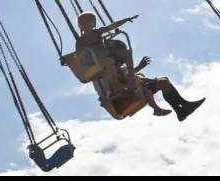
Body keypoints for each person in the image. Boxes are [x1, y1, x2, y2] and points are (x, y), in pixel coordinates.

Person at [74, 12, 204, 120]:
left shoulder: (108, 52)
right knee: (145, 90)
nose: (87, 24)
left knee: (164, 82)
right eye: (84, 22)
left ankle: (182, 109)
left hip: (131, 87)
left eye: (90, 21)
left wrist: (139, 68)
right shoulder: (100, 74)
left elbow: (112, 26)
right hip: (120, 93)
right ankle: (157, 109)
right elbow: (78, 58)